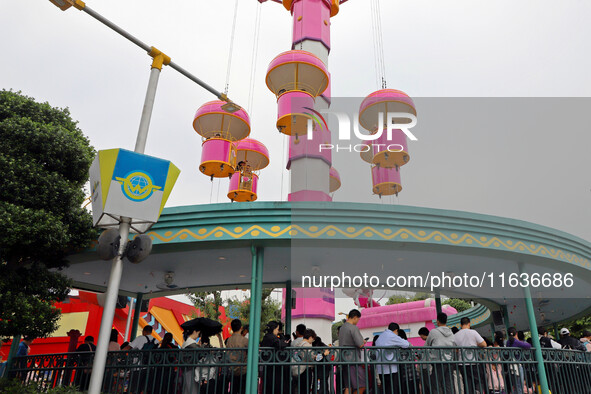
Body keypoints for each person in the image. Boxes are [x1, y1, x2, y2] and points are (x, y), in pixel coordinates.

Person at [375, 322, 410, 394]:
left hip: (381, 369)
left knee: (385, 390)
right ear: (396, 330)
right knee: (393, 389)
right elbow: (406, 344)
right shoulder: (392, 336)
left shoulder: (380, 336)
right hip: (391, 369)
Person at [425, 313, 455, 394]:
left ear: (438, 321)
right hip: (449, 360)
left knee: (436, 383)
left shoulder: (433, 332)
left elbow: (426, 345)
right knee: (449, 384)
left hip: (438, 361)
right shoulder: (451, 332)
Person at [454, 317, 486, 393]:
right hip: (473, 361)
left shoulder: (456, 335)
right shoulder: (473, 332)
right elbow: (484, 344)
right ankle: (478, 391)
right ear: (469, 324)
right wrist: (476, 344)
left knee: (467, 383)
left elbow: (455, 350)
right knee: (478, 380)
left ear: (461, 325)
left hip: (462, 363)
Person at [292, 329, 330, 394]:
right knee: (306, 389)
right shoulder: (307, 345)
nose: (313, 341)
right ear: (310, 337)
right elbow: (313, 358)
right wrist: (324, 354)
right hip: (306, 369)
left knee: (301, 389)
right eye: (313, 339)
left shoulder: (299, 344)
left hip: (299, 369)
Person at [338, 309, 366, 394]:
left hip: (344, 359)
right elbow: (360, 344)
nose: (357, 321)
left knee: (348, 386)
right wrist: (363, 341)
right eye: (358, 319)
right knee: (362, 385)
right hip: (353, 360)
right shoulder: (353, 328)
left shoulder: (342, 328)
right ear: (355, 317)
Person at [124, 325, 159, 394]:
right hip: (149, 368)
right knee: (144, 389)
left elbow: (128, 348)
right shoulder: (156, 341)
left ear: (144, 331)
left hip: (137, 367)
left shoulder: (140, 338)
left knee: (133, 389)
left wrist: (118, 353)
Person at [260, 321, 289, 394]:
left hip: (269, 364)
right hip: (272, 365)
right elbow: (279, 344)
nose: (278, 331)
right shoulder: (271, 337)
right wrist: (286, 343)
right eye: (277, 329)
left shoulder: (267, 336)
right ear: (273, 329)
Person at [506, 327, 531, 394]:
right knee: (520, 385)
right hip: (517, 365)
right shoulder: (516, 341)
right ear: (516, 333)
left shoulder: (508, 342)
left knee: (515, 385)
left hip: (511, 366)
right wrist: (520, 341)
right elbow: (528, 346)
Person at [226, 319, 248, 394]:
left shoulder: (229, 340)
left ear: (231, 328)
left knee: (234, 390)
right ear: (241, 327)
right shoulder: (244, 340)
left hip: (232, 369)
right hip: (243, 369)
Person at [181, 327, 201, 394]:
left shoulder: (186, 343)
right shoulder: (191, 344)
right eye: (198, 333)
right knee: (192, 390)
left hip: (185, 369)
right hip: (191, 369)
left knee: (186, 389)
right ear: (195, 332)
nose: (198, 335)